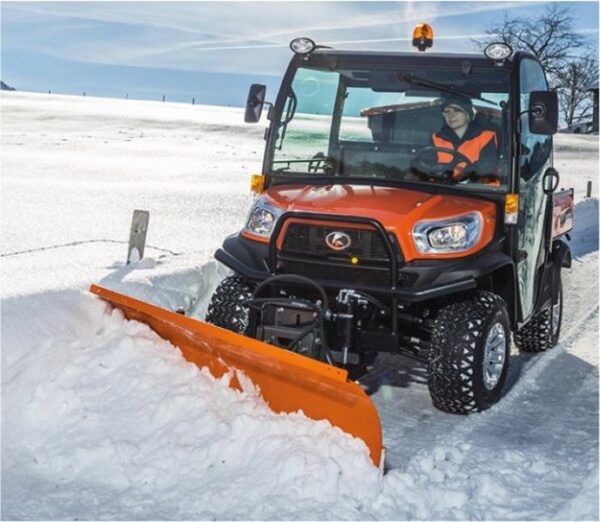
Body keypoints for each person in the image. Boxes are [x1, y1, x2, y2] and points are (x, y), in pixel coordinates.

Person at [416, 95, 500, 185]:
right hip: (442, 187)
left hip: (479, 191)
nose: (451, 115)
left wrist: (455, 175)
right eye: (447, 111)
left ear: (468, 115)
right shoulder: (437, 138)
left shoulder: (486, 137)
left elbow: (485, 169)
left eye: (457, 110)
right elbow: (424, 163)